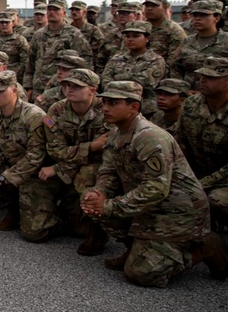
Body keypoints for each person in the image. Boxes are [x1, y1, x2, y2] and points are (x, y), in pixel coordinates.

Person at [81, 81, 227, 287]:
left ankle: (203, 248)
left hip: (176, 210)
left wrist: (109, 206)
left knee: (142, 273)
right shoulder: (116, 133)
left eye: (113, 103)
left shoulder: (149, 137)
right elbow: (108, 170)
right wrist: (99, 192)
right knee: (91, 200)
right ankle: (136, 248)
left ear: (134, 107)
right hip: (147, 204)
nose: (105, 108)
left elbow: (156, 188)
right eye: (104, 102)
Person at [0, 71, 50, 239]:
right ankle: (15, 208)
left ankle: (57, 219)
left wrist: (1, 179)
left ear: (14, 90)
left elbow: (35, 157)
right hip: (11, 168)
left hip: (36, 174)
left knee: (35, 234)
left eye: (0, 91)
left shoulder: (34, 116)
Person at [43, 69, 110, 255]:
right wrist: (93, 146)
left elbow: (107, 155)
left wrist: (59, 168)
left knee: (86, 175)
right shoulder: (56, 110)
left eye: (77, 86)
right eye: (67, 85)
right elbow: (56, 151)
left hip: (99, 167)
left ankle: (99, 232)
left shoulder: (106, 111)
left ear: (93, 90)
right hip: (68, 164)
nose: (69, 89)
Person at [175, 56, 228, 230]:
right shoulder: (191, 104)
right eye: (202, 75)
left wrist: (200, 184)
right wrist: (184, 177)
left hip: (223, 179)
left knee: (217, 199)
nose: (202, 80)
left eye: (211, 77)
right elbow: (180, 142)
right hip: (198, 172)